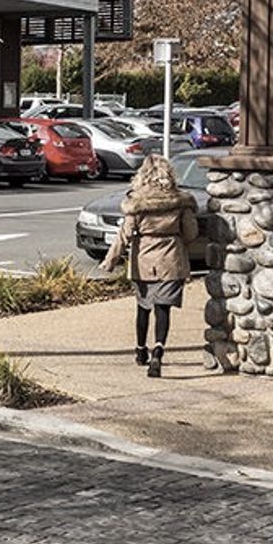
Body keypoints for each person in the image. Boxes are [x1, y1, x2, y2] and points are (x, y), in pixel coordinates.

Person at [102, 153, 196, 378]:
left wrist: (110, 260)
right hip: (171, 260)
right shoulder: (180, 201)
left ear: (143, 175)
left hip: (143, 259)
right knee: (163, 308)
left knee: (143, 306)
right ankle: (159, 351)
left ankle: (140, 350)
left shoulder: (136, 203)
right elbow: (191, 233)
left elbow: (124, 235)